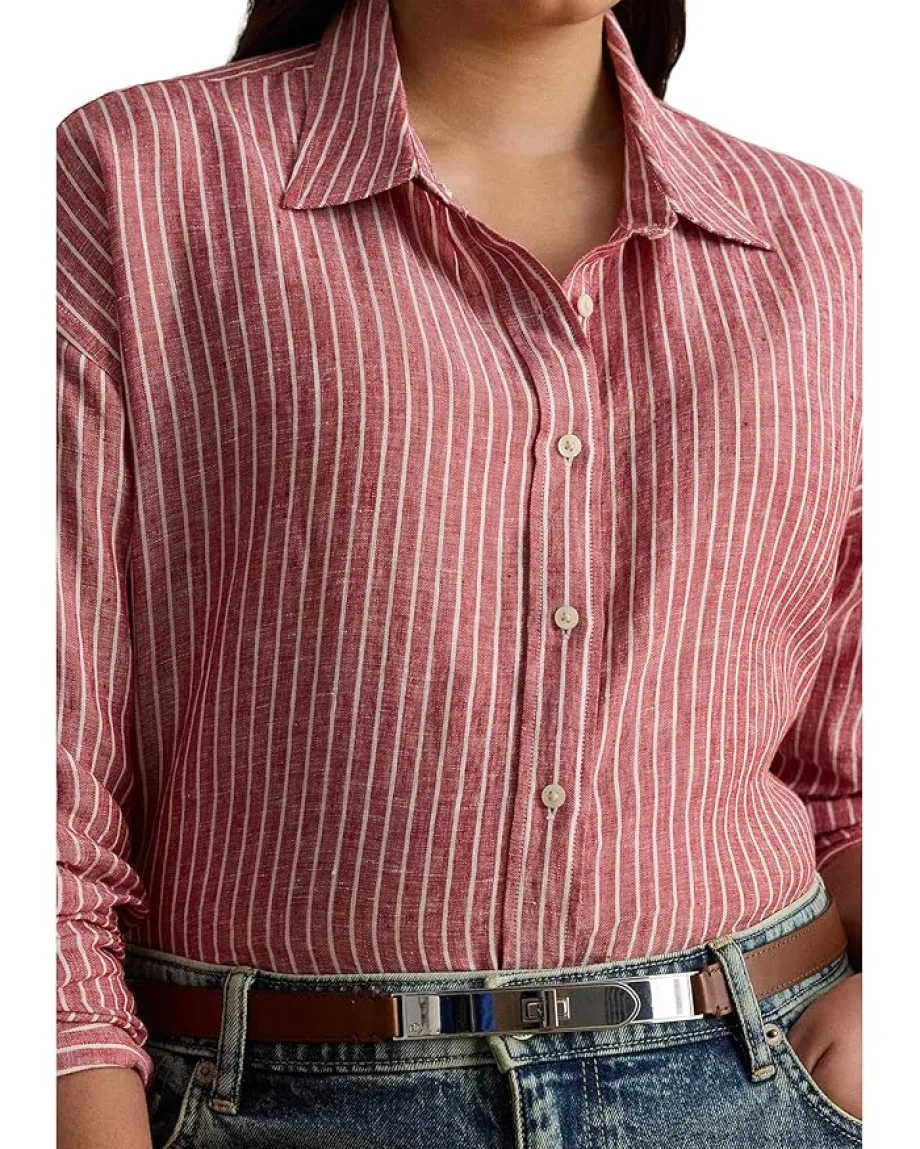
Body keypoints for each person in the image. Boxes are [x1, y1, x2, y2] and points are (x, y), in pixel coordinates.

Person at [56, 0, 862, 1146]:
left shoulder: (825, 241)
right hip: (277, 1098)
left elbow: (856, 761)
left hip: (759, 1078)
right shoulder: (137, 177)